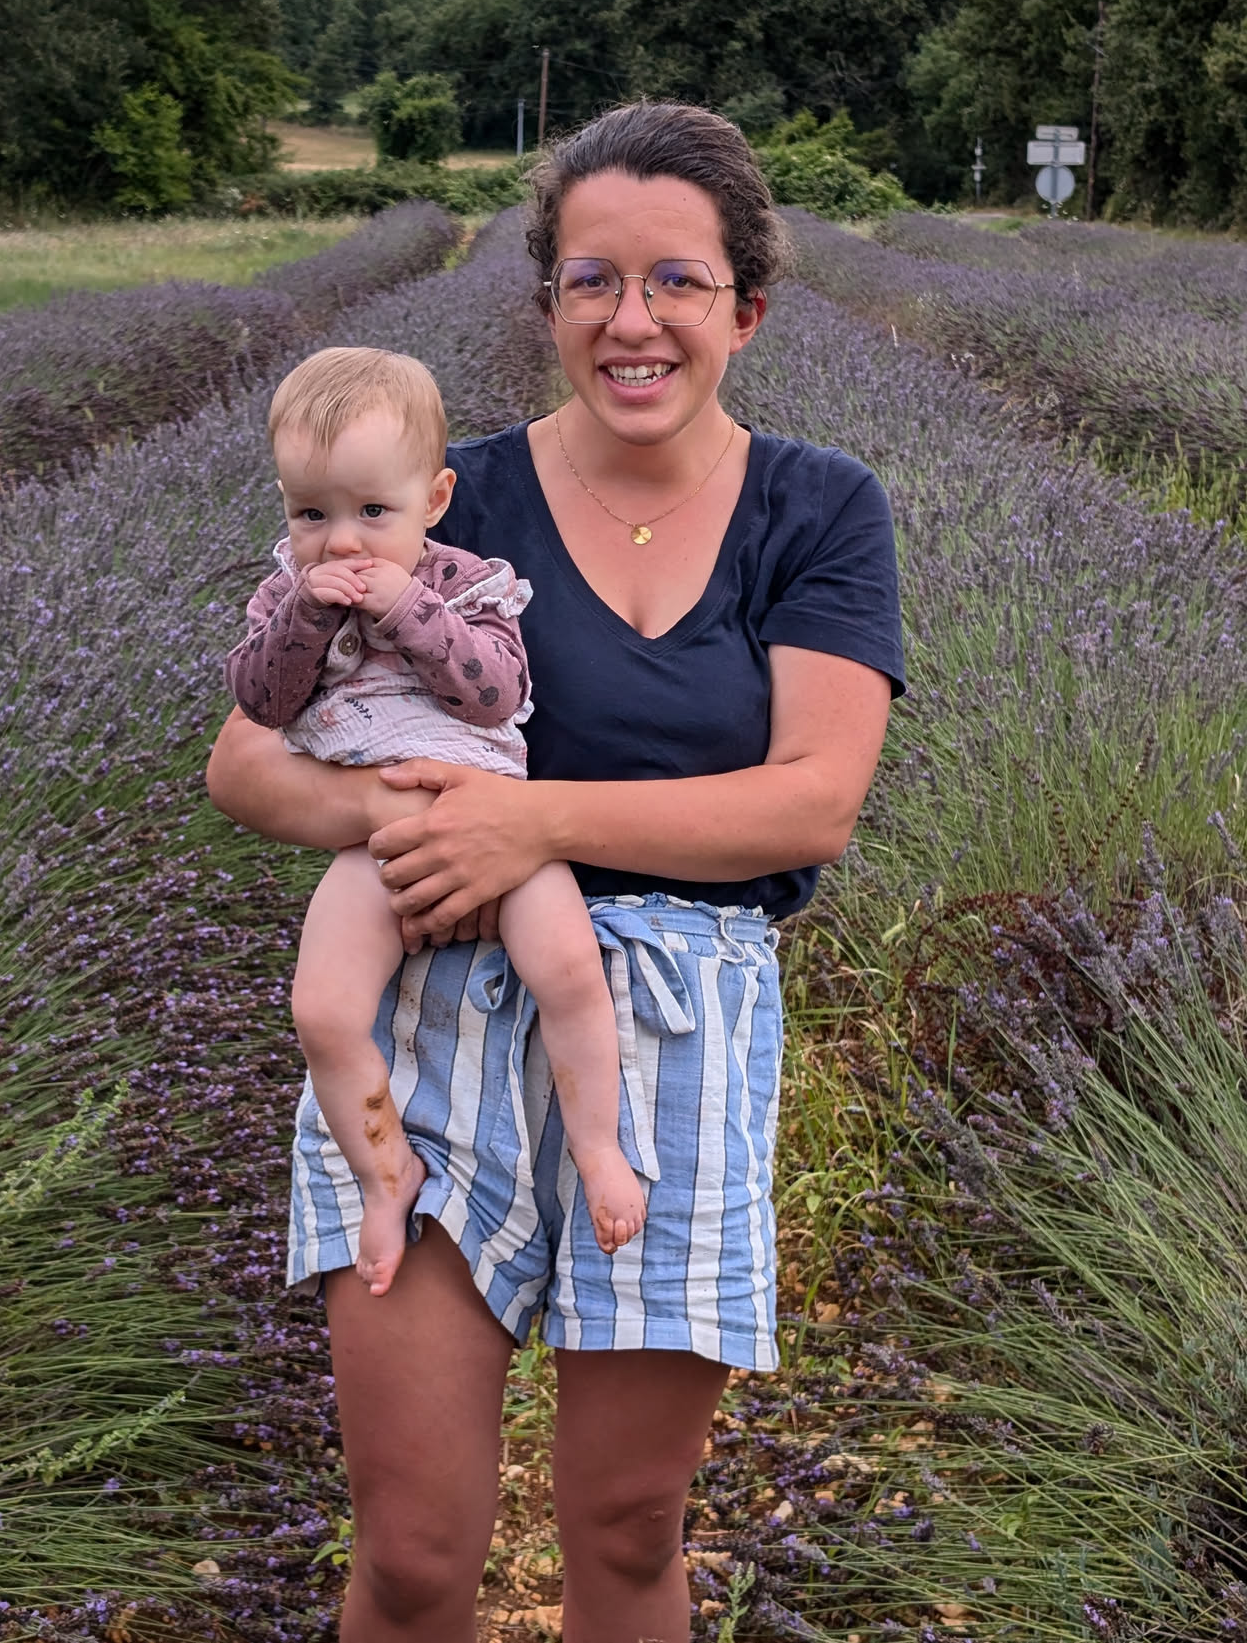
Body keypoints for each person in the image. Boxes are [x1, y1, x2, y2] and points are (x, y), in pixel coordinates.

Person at [206, 100, 905, 1643]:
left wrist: (532, 825)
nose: (631, 320)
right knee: (412, 1550)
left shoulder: (819, 507)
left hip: (671, 1031)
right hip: (431, 1010)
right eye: (593, 281)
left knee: (629, 1529)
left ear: (746, 308)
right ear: (545, 302)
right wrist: (421, 817)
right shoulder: (435, 493)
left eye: (676, 282)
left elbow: (814, 803)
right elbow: (246, 761)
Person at [223, 345, 645, 1298]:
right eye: (312, 514)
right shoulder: (288, 595)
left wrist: (408, 607)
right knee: (322, 1010)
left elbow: (493, 693)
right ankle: (385, 1177)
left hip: (498, 820)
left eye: (373, 512)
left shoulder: (465, 584)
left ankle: (597, 1147)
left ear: (435, 498)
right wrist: (304, 619)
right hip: (373, 845)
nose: (342, 542)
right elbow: (260, 701)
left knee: (570, 971)